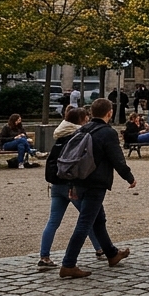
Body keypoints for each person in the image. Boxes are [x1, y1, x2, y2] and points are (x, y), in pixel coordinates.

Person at [59, 98, 134, 279]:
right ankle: (68, 264)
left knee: (98, 220)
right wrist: (129, 177)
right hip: (95, 183)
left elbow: (72, 157)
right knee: (84, 223)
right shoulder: (107, 132)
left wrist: (71, 184)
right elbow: (117, 159)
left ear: (91, 113)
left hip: (80, 180)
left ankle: (112, 254)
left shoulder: (83, 129)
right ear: (110, 113)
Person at [38, 107, 103, 270]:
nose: (88, 120)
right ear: (81, 120)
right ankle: (100, 249)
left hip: (56, 184)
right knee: (87, 218)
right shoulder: (78, 135)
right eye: (86, 118)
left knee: (53, 221)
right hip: (71, 184)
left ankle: (44, 256)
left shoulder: (60, 134)